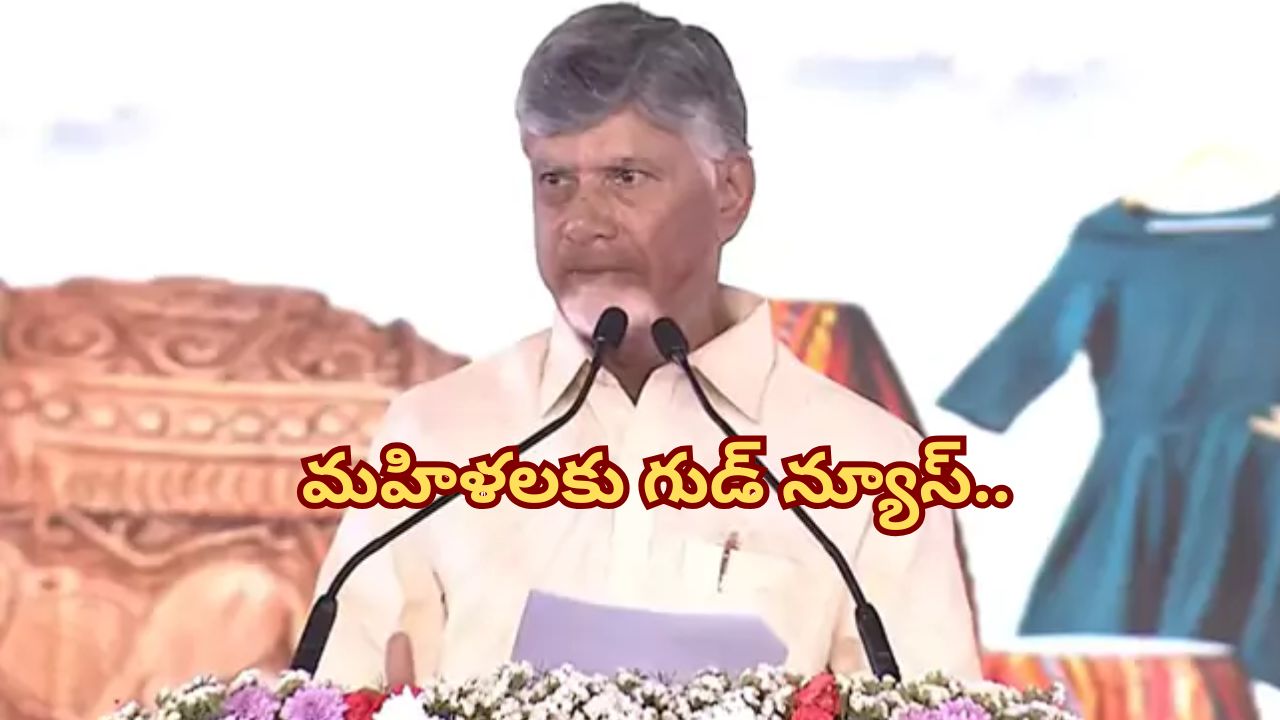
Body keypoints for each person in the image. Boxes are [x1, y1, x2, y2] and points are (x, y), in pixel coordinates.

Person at [311, 2, 981, 688]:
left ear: (730, 191)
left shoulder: (870, 464)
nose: (582, 222)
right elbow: (333, 692)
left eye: (625, 178)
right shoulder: (431, 440)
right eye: (555, 181)